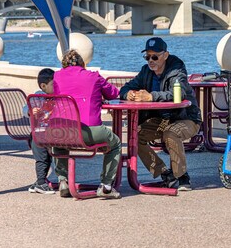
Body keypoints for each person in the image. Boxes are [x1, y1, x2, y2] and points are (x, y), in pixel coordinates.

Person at [120, 37, 201, 191]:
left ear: (165, 55)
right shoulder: (146, 71)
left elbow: (178, 93)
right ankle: (165, 173)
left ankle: (182, 176)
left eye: (155, 56)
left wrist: (151, 96)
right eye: (147, 57)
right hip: (161, 119)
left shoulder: (177, 71)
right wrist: (128, 93)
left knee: (171, 133)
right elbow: (125, 88)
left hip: (186, 117)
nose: (151, 60)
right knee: (135, 137)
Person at [53, 50, 122, 199]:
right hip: (88, 131)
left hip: (62, 131)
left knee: (59, 141)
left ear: (63, 65)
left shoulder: (57, 76)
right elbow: (113, 93)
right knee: (115, 144)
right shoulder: (93, 76)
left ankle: (63, 181)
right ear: (83, 64)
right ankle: (106, 186)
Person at [22, 68, 55, 194]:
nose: (56, 87)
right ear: (43, 86)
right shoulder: (36, 97)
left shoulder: (56, 97)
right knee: (42, 159)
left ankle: (38, 182)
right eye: (53, 85)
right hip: (38, 134)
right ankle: (41, 182)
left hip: (50, 133)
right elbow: (25, 109)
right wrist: (30, 111)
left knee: (48, 158)